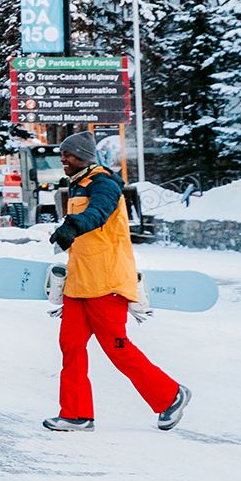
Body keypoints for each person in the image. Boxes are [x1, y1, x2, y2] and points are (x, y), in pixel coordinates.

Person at [44, 130, 190, 433]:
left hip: (106, 283)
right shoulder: (77, 185)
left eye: (68, 155)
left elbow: (98, 213)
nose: (63, 160)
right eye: (62, 155)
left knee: (117, 348)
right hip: (79, 283)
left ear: (83, 158)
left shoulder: (104, 185)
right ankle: (76, 413)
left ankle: (170, 395)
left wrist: (72, 226)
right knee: (70, 346)